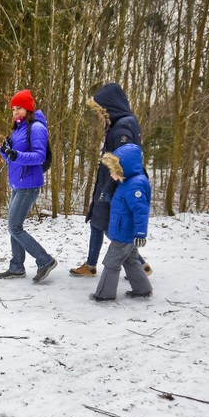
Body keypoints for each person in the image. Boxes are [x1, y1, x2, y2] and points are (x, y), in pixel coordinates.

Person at [70, 82, 151, 277]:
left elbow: (125, 160)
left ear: (109, 108)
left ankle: (140, 264)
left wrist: (109, 189)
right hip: (108, 183)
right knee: (98, 222)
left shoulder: (122, 127)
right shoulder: (121, 124)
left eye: (100, 110)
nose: (98, 115)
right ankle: (90, 265)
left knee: (109, 227)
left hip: (114, 186)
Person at [0, 89, 58, 282]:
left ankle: (44, 260)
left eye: (19, 108)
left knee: (14, 227)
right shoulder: (19, 128)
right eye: (13, 109)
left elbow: (39, 157)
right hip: (18, 183)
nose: (15, 112)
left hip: (29, 184)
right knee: (14, 226)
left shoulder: (37, 128)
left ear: (28, 109)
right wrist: (4, 149)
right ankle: (16, 267)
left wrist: (17, 155)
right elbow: (11, 157)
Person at [91, 143, 153, 301]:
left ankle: (104, 294)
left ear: (125, 166)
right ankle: (143, 289)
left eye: (114, 169)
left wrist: (140, 233)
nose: (111, 173)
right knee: (131, 260)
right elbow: (124, 202)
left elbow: (140, 210)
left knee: (112, 262)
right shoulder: (128, 182)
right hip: (124, 229)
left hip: (125, 231)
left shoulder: (135, 184)